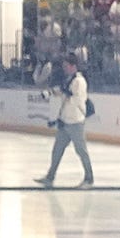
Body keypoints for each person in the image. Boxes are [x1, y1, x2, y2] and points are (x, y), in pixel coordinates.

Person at [37, 58, 93, 187]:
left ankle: (89, 178)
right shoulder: (69, 79)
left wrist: (64, 91)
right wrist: (50, 92)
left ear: (73, 66)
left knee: (81, 151)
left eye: (66, 66)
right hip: (64, 121)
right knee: (57, 150)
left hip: (75, 122)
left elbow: (76, 99)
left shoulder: (79, 81)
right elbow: (62, 93)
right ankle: (50, 176)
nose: (64, 68)